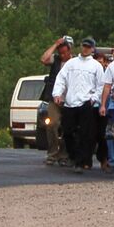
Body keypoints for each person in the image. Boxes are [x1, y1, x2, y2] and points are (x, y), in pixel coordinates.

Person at [53, 38, 107, 173]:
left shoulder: (96, 66)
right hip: (70, 103)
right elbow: (61, 79)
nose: (85, 49)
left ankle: (80, 161)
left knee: (85, 134)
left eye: (88, 47)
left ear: (92, 49)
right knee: (68, 132)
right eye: (84, 46)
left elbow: (101, 85)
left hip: (86, 103)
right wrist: (57, 94)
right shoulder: (71, 64)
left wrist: (94, 99)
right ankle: (73, 156)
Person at [40, 36, 74, 166]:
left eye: (65, 52)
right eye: (61, 53)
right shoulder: (56, 60)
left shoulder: (76, 61)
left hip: (70, 99)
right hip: (54, 98)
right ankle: (52, 153)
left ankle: (64, 155)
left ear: (70, 50)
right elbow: (44, 59)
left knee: (68, 127)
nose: (63, 55)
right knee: (52, 124)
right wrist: (55, 45)